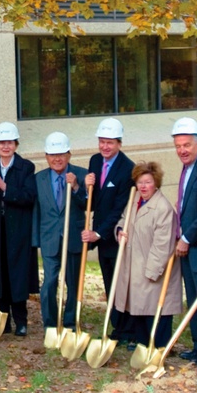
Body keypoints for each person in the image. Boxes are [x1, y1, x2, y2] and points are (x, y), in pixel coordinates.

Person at [0, 122, 38, 336]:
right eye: (2, 143)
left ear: (16, 145)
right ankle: (4, 319)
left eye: (9, 142)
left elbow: (29, 197)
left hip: (17, 229)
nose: (5, 146)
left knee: (17, 275)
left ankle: (21, 320)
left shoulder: (26, 167)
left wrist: (4, 187)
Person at [115, 162, 180, 349]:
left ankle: (159, 348)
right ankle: (142, 344)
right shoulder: (134, 199)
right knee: (139, 309)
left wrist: (150, 273)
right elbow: (123, 219)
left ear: (156, 183)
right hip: (135, 265)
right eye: (140, 182)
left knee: (155, 311)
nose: (143, 186)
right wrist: (120, 230)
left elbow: (163, 246)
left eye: (148, 182)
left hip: (154, 270)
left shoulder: (163, 209)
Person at [82, 118, 135, 342]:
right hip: (101, 236)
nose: (105, 147)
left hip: (116, 235)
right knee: (107, 281)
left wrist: (99, 233)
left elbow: (118, 209)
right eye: (102, 141)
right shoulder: (95, 161)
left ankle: (126, 329)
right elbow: (93, 202)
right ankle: (116, 327)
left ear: (119, 143)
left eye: (110, 142)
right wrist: (85, 187)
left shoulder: (128, 169)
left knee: (120, 284)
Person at [32, 131, 87, 330]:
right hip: (49, 240)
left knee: (73, 284)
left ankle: (71, 323)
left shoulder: (81, 174)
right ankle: (51, 324)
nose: (57, 159)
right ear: (46, 157)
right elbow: (37, 211)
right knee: (48, 284)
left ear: (69, 155)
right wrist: (36, 239)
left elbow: (89, 204)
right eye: (52, 155)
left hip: (73, 238)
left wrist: (76, 188)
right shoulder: (39, 179)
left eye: (61, 154)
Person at [170, 118, 197, 364]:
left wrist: (186, 237)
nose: (182, 150)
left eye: (186, 145)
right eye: (178, 146)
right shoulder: (187, 168)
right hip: (188, 246)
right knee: (194, 298)